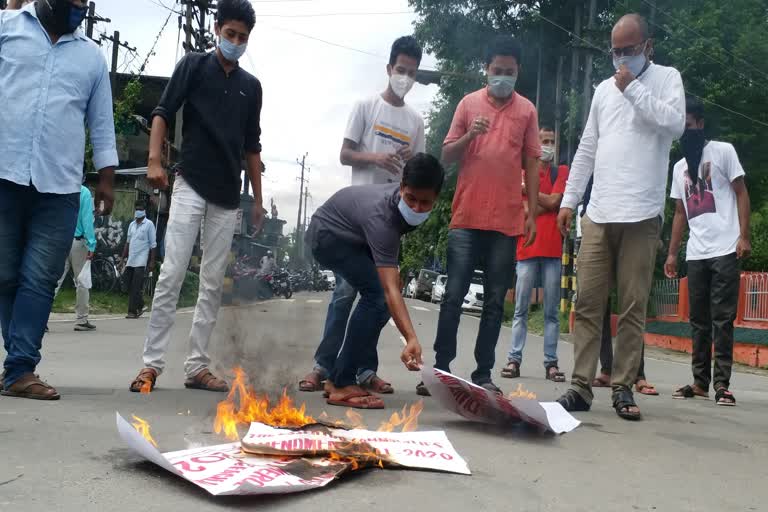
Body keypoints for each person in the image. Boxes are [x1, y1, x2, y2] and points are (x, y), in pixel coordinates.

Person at [130, 0, 265, 393]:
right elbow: (162, 112)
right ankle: (151, 365)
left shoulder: (251, 88)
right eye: (231, 34)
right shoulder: (192, 66)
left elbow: (252, 147)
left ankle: (196, 367)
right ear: (217, 29)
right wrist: (154, 161)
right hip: (189, 183)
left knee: (211, 284)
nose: (236, 42)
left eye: (243, 37)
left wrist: (257, 199)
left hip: (227, 197)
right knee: (171, 273)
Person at [556, 13, 685, 420]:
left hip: (643, 213)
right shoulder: (600, 91)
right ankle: (579, 386)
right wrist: (568, 199)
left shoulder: (667, 79)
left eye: (629, 49)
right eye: (616, 51)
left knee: (631, 304)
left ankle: (623, 386)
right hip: (599, 211)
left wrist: (632, 90)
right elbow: (587, 148)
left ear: (648, 46)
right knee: (589, 300)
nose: (622, 58)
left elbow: (674, 124)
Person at [0, 0, 117, 400]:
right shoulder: (7, 28)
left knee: (39, 278)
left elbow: (101, 122)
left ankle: (20, 367)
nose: (80, 6)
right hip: (4, 171)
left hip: (60, 186)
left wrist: (106, 178)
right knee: (6, 274)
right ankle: (16, 362)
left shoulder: (92, 59)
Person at [299, 36, 425, 395]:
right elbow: (344, 154)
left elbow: (419, 173)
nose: (405, 77)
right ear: (389, 69)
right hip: (355, 225)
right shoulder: (366, 107)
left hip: (391, 218)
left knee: (379, 297)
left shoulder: (415, 122)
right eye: (400, 70)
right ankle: (324, 367)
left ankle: (363, 370)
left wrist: (407, 166)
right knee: (346, 295)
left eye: (412, 73)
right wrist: (378, 159)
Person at [419, 35, 540, 396]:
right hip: (466, 219)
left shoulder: (527, 111)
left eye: (510, 71)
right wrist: (470, 134)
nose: (503, 77)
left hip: (506, 223)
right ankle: (441, 369)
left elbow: (532, 162)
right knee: (453, 296)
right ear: (486, 70)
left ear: (518, 72)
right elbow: (446, 155)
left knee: (492, 302)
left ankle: (483, 373)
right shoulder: (468, 104)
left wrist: (531, 212)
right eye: (497, 70)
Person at [306, 153, 444, 409]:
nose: (416, 208)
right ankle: (340, 381)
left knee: (381, 305)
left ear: (436, 198)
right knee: (379, 296)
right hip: (328, 236)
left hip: (355, 238)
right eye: (411, 198)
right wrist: (411, 337)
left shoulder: (398, 210)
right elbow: (389, 290)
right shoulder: (382, 217)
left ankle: (345, 374)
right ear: (401, 186)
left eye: (425, 203)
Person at [665, 97, 751, 407]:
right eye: (681, 128)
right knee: (698, 320)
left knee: (722, 319)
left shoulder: (723, 152)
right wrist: (673, 253)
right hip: (696, 253)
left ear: (700, 125)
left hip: (726, 248)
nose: (685, 132)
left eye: (688, 125)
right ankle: (699, 382)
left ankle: (722, 385)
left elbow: (741, 193)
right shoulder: (678, 168)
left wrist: (744, 236)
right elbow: (679, 212)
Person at [501, 126, 568, 383]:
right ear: (535, 144)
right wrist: (546, 203)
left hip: (552, 249)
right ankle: (513, 359)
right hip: (526, 248)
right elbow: (524, 214)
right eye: (544, 141)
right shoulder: (521, 172)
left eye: (552, 140)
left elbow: (553, 203)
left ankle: (551, 363)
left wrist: (527, 192)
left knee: (551, 311)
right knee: (520, 309)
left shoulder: (561, 171)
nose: (548, 145)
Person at [581, 179, 658, 396]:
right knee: (595, 305)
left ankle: (636, 375)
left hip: (634, 219)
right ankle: (606, 369)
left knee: (632, 302)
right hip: (597, 221)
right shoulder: (597, 150)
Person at [53, 183, 98, 331]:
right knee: (82, 281)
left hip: (60, 239)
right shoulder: (84, 192)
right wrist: (92, 243)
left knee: (54, 280)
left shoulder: (60, 188)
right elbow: (87, 219)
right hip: (78, 242)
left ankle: (40, 317)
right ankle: (81, 319)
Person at [123, 202, 157, 319]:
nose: (138, 211)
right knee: (126, 284)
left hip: (141, 260)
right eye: (136, 209)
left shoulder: (149, 225)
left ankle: (132, 311)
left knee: (136, 286)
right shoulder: (132, 225)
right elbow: (127, 243)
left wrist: (152, 261)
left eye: (140, 209)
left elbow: (153, 245)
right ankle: (141, 305)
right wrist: (122, 258)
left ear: (144, 211)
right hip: (131, 259)